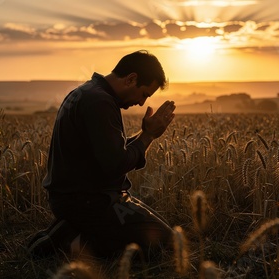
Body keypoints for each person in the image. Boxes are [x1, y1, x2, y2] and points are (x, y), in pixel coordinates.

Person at [27, 50, 176, 259]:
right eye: (144, 94)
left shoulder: (89, 92)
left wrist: (145, 134)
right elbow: (116, 163)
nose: (142, 103)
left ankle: (72, 230)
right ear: (131, 79)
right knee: (161, 244)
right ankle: (64, 242)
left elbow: (111, 152)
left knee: (162, 238)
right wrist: (148, 136)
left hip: (85, 197)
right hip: (89, 202)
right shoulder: (100, 102)